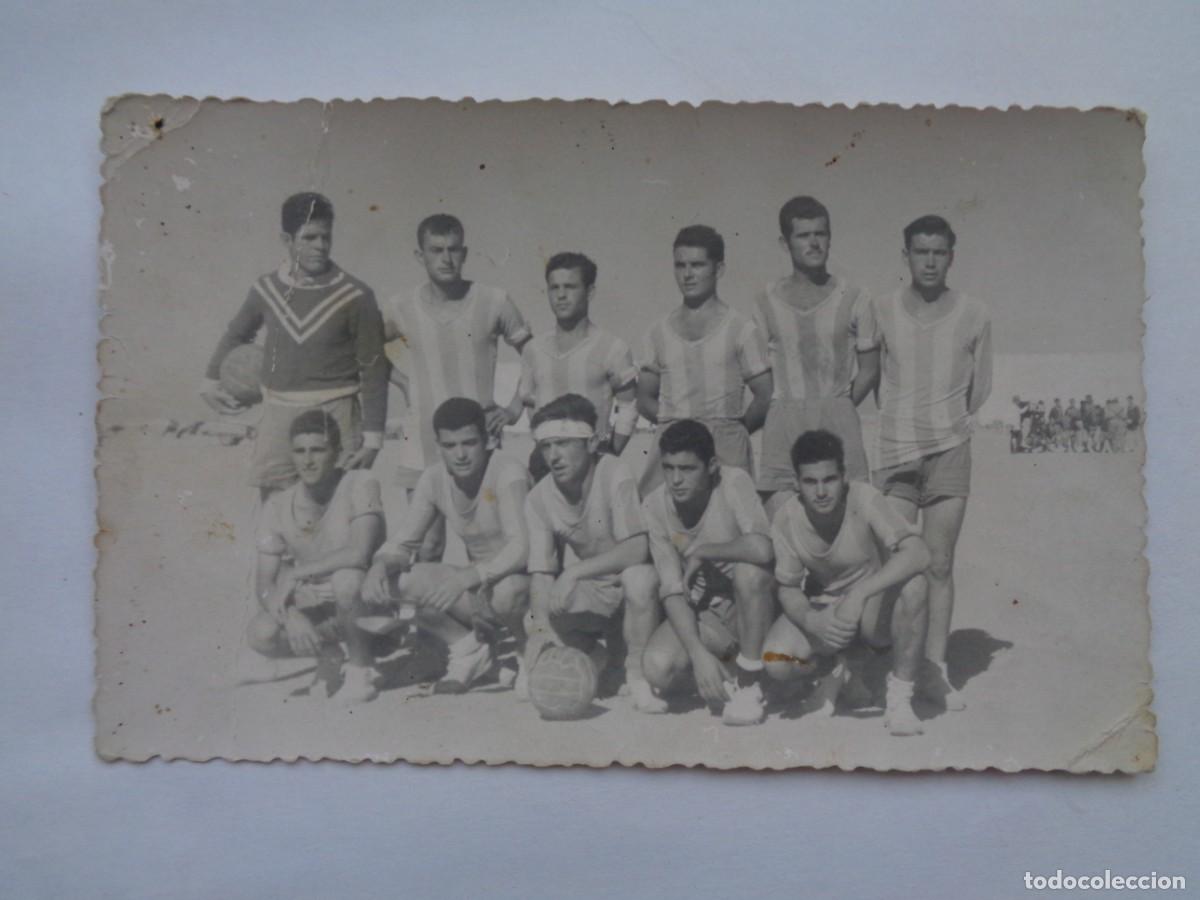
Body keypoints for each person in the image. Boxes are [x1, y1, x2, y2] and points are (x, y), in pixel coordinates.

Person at [858, 215, 992, 711]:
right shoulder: (882, 309)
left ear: (951, 256)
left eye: (939, 252)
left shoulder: (975, 314)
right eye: (920, 252)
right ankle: (884, 665)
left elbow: (981, 387)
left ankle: (933, 670)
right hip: (894, 453)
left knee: (938, 565)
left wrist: (946, 422)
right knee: (893, 566)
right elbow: (871, 378)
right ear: (906, 256)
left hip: (950, 451)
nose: (930, 261)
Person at [202, 192, 388, 498]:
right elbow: (236, 334)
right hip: (278, 412)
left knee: (337, 513)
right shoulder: (266, 289)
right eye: (309, 237)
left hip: (338, 411)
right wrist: (209, 382)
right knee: (273, 517)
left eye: (326, 237)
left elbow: (374, 368)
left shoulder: (356, 295)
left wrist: (373, 439)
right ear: (287, 240)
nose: (320, 246)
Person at [762, 430, 931, 735]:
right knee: (777, 660)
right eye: (810, 482)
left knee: (915, 585)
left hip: (871, 608)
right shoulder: (787, 518)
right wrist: (811, 620)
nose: (822, 491)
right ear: (797, 485)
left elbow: (918, 552)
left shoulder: (864, 498)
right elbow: (787, 587)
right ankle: (834, 673)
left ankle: (899, 700)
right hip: (829, 610)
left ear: (844, 477)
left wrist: (860, 594)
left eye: (829, 479)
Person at [362, 398, 531, 694]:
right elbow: (404, 540)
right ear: (438, 445)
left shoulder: (507, 471)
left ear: (488, 440)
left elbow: (523, 548)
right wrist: (380, 565)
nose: (461, 455)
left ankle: (528, 654)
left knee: (508, 591)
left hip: (528, 588)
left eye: (469, 443)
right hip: (482, 587)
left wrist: (469, 577)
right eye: (450, 446)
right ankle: (468, 648)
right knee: (398, 581)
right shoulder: (433, 477)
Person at [522, 394, 664, 712]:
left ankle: (638, 675)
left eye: (564, 443)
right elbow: (541, 574)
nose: (554, 456)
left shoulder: (614, 472)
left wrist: (573, 572)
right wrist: (541, 629)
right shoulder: (538, 498)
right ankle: (597, 654)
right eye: (546, 446)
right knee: (534, 615)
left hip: (641, 593)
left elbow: (638, 549)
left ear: (591, 443)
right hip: (599, 590)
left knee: (638, 578)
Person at [641, 420, 777, 726]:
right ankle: (725, 674)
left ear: (712, 466)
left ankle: (751, 681)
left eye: (688, 469)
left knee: (749, 572)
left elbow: (763, 549)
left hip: (754, 607)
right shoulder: (655, 505)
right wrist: (698, 654)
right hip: (709, 617)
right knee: (657, 667)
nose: (676, 479)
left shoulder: (733, 482)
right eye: (669, 468)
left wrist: (703, 550)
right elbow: (672, 589)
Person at [246, 410, 386, 705]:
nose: (308, 460)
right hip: (323, 610)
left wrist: (297, 573)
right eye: (300, 451)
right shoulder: (278, 505)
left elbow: (359, 553)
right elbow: (264, 584)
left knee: (346, 579)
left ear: (336, 452)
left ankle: (361, 671)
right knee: (261, 632)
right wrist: (292, 616)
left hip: (370, 607)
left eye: (318, 450)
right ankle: (329, 656)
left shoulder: (360, 483)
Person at [383, 214, 532, 491]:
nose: (446, 259)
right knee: (423, 534)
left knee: (488, 530)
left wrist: (514, 408)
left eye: (453, 249)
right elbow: (363, 349)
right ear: (420, 255)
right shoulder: (400, 306)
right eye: (436, 250)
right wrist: (403, 382)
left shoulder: (494, 301)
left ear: (464, 253)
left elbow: (536, 356)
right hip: (421, 439)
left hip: (479, 439)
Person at [752, 196, 876, 506]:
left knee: (849, 522)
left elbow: (870, 369)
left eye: (820, 234)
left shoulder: (855, 297)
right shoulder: (764, 301)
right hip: (783, 424)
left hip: (838, 421)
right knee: (780, 524)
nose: (814, 243)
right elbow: (759, 376)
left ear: (830, 238)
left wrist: (838, 404)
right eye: (803, 235)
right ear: (785, 243)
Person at [636, 225, 773, 495]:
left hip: (725, 448)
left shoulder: (741, 329)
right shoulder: (657, 332)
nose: (687, 274)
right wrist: (674, 425)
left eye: (697, 265)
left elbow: (765, 395)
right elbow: (644, 399)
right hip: (672, 446)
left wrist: (733, 429)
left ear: (718, 269)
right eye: (680, 265)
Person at [504, 252, 640, 455]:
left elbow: (629, 409)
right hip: (545, 465)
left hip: (592, 461)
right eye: (554, 288)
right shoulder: (534, 350)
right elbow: (527, 400)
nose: (561, 295)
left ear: (590, 292)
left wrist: (610, 453)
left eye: (570, 287)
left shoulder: (613, 348)